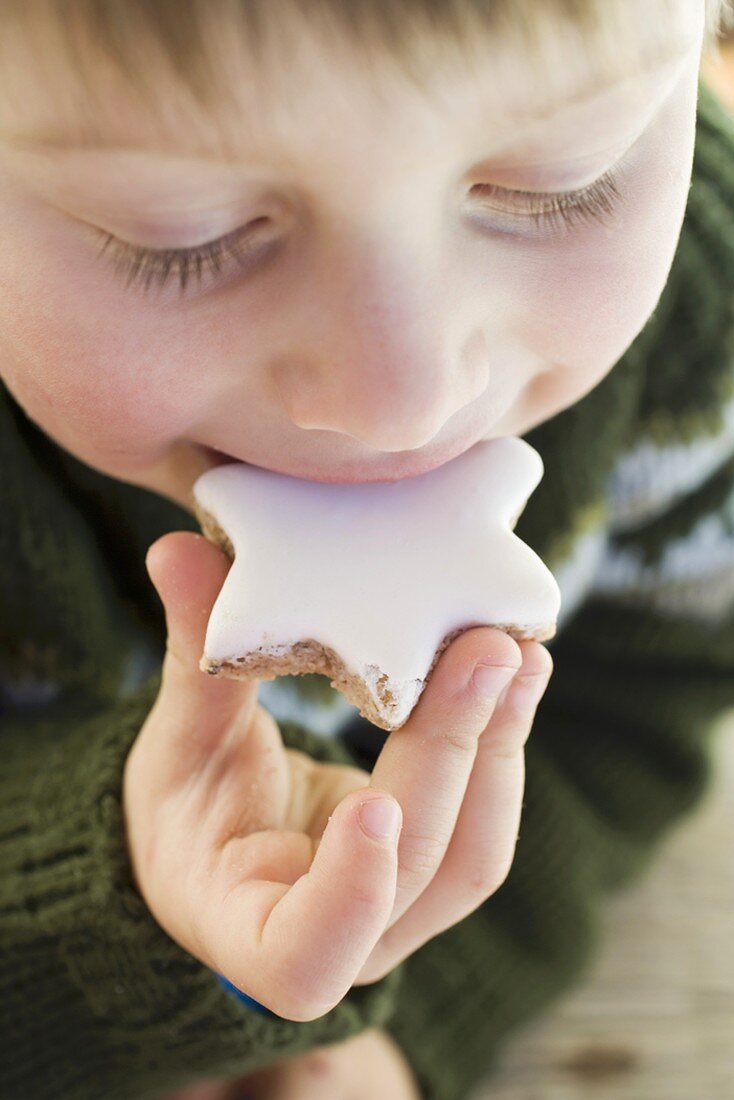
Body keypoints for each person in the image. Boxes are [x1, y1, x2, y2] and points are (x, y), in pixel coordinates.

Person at [0, 1, 732, 1098]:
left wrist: (416, 1005)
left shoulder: (689, 338)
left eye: (558, 178)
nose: (404, 400)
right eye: (182, 234)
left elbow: (637, 697)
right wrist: (107, 897)